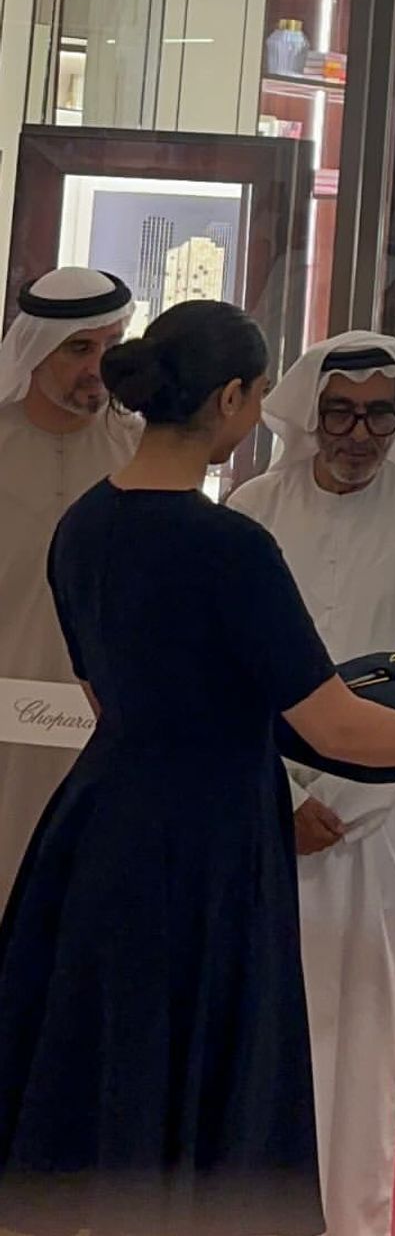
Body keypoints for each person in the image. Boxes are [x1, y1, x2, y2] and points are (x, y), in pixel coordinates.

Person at [0, 300, 395, 1236]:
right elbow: (333, 721)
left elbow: (103, 694)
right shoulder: (230, 546)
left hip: (98, 823)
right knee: (206, 1074)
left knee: (108, 1060)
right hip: (210, 836)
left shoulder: (86, 523)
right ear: (229, 399)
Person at [229, 331, 395, 1236]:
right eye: (340, 413)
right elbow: (228, 666)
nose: (359, 433)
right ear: (307, 415)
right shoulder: (252, 505)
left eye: (379, 414)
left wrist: (345, 803)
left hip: (369, 823)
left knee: (355, 1047)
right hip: (254, 813)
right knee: (250, 1028)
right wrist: (280, 800)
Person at [0, 265, 140, 912]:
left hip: (102, 724)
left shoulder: (139, 452)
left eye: (114, 345)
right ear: (35, 349)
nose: (100, 365)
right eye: (81, 348)